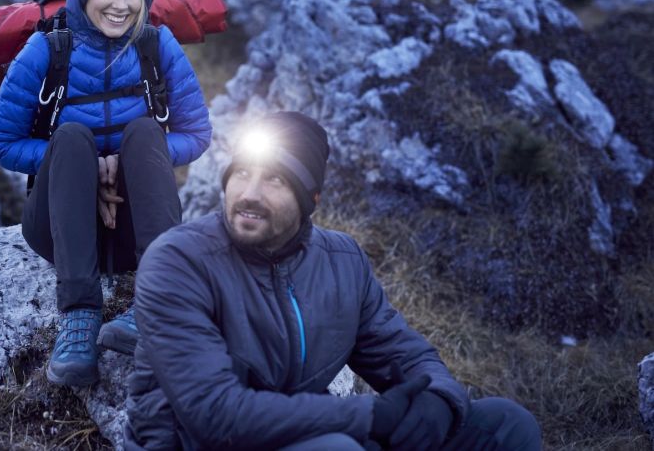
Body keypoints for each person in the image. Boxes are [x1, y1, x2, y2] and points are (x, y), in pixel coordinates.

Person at [125, 111, 542, 450]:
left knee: (506, 425)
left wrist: (439, 400)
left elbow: (405, 353)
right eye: (241, 173)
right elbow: (215, 414)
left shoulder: (342, 261)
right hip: (206, 442)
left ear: (312, 200)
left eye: (275, 179)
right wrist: (369, 417)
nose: (249, 193)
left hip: (308, 431)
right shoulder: (179, 261)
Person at [0, 0, 212, 387]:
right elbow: (2, 143)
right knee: (70, 138)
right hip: (59, 229)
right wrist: (90, 166)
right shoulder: (47, 51)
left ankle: (156, 298)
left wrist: (124, 160)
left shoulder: (156, 46)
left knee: (146, 131)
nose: (121, 4)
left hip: (133, 229)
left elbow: (197, 133)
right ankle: (79, 316)